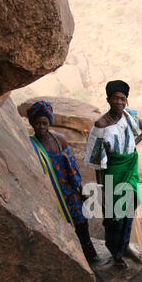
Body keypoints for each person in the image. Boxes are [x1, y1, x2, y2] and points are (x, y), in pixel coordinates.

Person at [84, 80, 142, 268]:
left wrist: (132, 145)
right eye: (116, 98)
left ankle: (125, 246)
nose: (120, 102)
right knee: (113, 215)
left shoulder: (130, 117)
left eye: (123, 98)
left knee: (128, 210)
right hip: (112, 172)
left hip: (129, 168)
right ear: (108, 99)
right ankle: (116, 253)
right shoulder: (101, 124)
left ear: (126, 101)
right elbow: (96, 161)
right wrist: (101, 187)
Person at [27, 100, 99, 264]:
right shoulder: (31, 144)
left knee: (81, 222)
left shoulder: (60, 140)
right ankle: (72, 259)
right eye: (37, 123)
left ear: (49, 122)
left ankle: (90, 256)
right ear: (32, 123)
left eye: (44, 122)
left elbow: (73, 167)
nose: (41, 127)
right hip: (52, 194)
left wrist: (80, 190)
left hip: (69, 190)